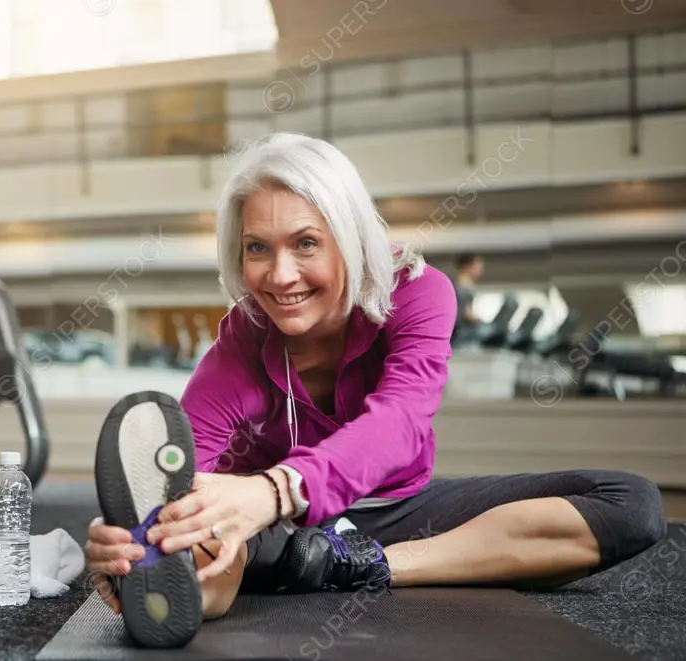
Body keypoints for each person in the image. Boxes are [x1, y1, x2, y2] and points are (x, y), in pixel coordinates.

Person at [83, 133, 667, 648]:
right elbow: (186, 480)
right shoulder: (244, 337)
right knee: (208, 518)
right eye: (258, 247)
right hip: (278, 537)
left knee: (631, 504)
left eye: (305, 243)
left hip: (399, 511)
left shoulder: (418, 292)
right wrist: (140, 543)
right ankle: (231, 579)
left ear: (349, 236)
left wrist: (277, 488)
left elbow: (400, 422)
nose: (279, 275)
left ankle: (357, 565)